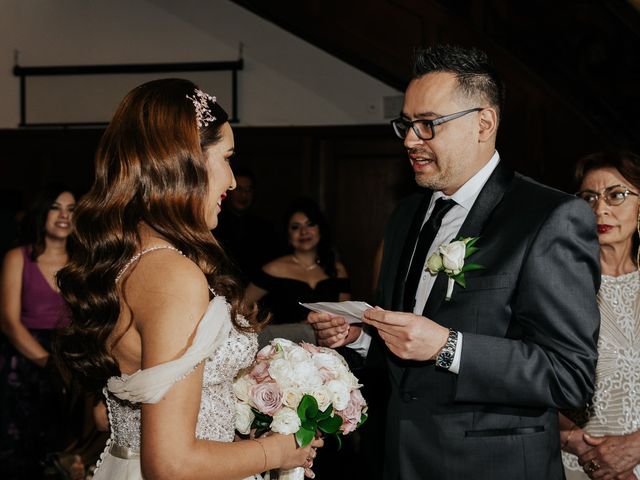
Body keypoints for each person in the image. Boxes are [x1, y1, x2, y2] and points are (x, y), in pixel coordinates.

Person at [308, 44, 601, 480]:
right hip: (398, 459)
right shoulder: (405, 216)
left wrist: (450, 347)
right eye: (406, 125)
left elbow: (569, 376)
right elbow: (411, 349)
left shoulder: (549, 217)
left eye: (428, 125)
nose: (410, 140)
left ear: (484, 123)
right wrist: (363, 338)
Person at [53, 79, 322, 480]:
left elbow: (106, 410)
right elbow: (172, 464)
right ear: (186, 161)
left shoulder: (128, 256)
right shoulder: (173, 275)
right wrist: (278, 450)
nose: (231, 181)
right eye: (226, 158)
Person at [560, 150, 640, 480]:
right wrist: (590, 455)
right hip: (583, 467)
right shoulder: (559, 289)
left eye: (616, 195)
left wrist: (634, 448)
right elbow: (525, 383)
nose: (600, 209)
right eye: (589, 197)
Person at [0, 184, 84, 479]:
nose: (64, 215)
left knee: (65, 452)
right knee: (20, 453)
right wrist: (50, 365)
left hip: (72, 358)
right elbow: (9, 322)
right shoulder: (17, 258)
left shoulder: (83, 263)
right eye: (56, 207)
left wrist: (70, 369)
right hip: (23, 359)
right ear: (42, 213)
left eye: (71, 209)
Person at [244, 198, 350, 346]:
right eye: (295, 227)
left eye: (310, 224)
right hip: (284, 348)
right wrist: (258, 330)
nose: (304, 232)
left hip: (329, 348)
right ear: (288, 235)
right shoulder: (274, 268)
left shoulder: (337, 269)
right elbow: (242, 305)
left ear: (320, 230)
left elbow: (346, 314)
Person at [214, 167, 278, 284]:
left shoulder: (265, 229)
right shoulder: (214, 224)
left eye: (248, 190)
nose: (244, 195)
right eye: (239, 189)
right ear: (227, 192)